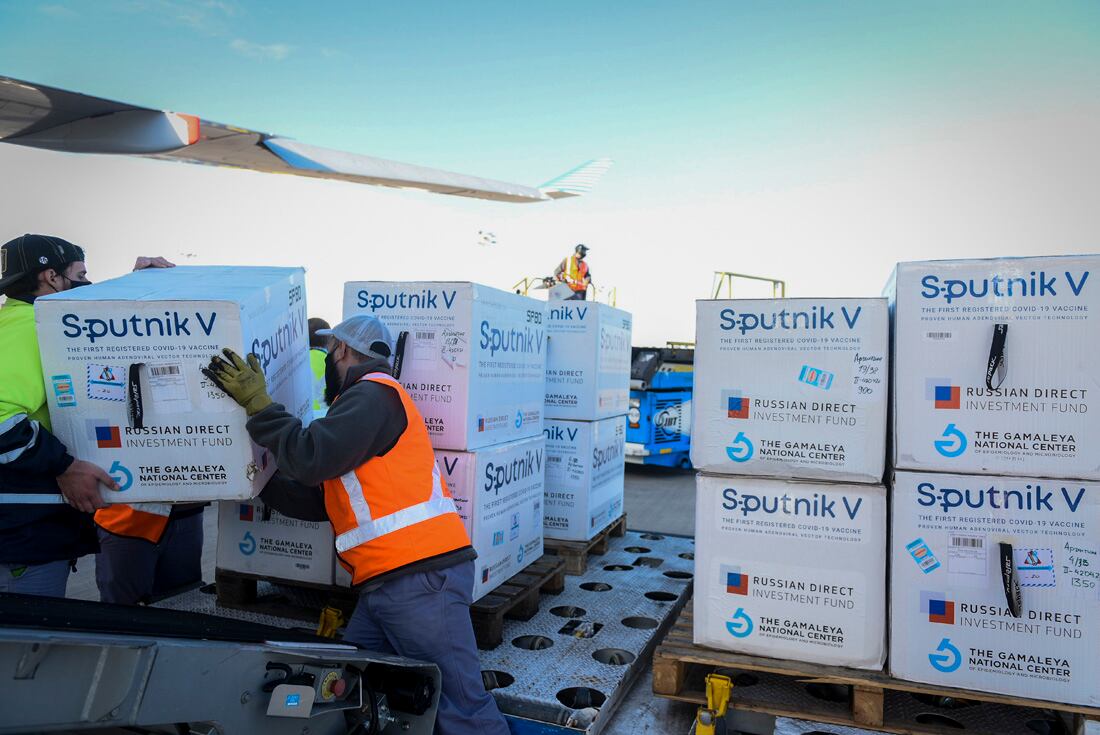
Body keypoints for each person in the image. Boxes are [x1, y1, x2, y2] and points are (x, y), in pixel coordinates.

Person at [203, 315, 510, 735]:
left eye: (329, 352)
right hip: (390, 584)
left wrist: (259, 405)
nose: (328, 360)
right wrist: (251, 481)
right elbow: (323, 497)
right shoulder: (362, 407)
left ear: (342, 350)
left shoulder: (373, 396)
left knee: (462, 707)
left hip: (418, 580)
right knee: (349, 684)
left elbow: (311, 457)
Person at [0, 234, 174, 598]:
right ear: (51, 277)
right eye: (81, 274)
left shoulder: (15, 324)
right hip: (20, 540)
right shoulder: (32, 329)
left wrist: (131, 287)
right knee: (28, 649)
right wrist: (64, 465)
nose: (86, 283)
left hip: (24, 533)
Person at [308, 317, 332, 418]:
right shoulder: (333, 361)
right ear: (328, 339)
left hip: (299, 417)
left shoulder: (297, 362)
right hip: (325, 416)